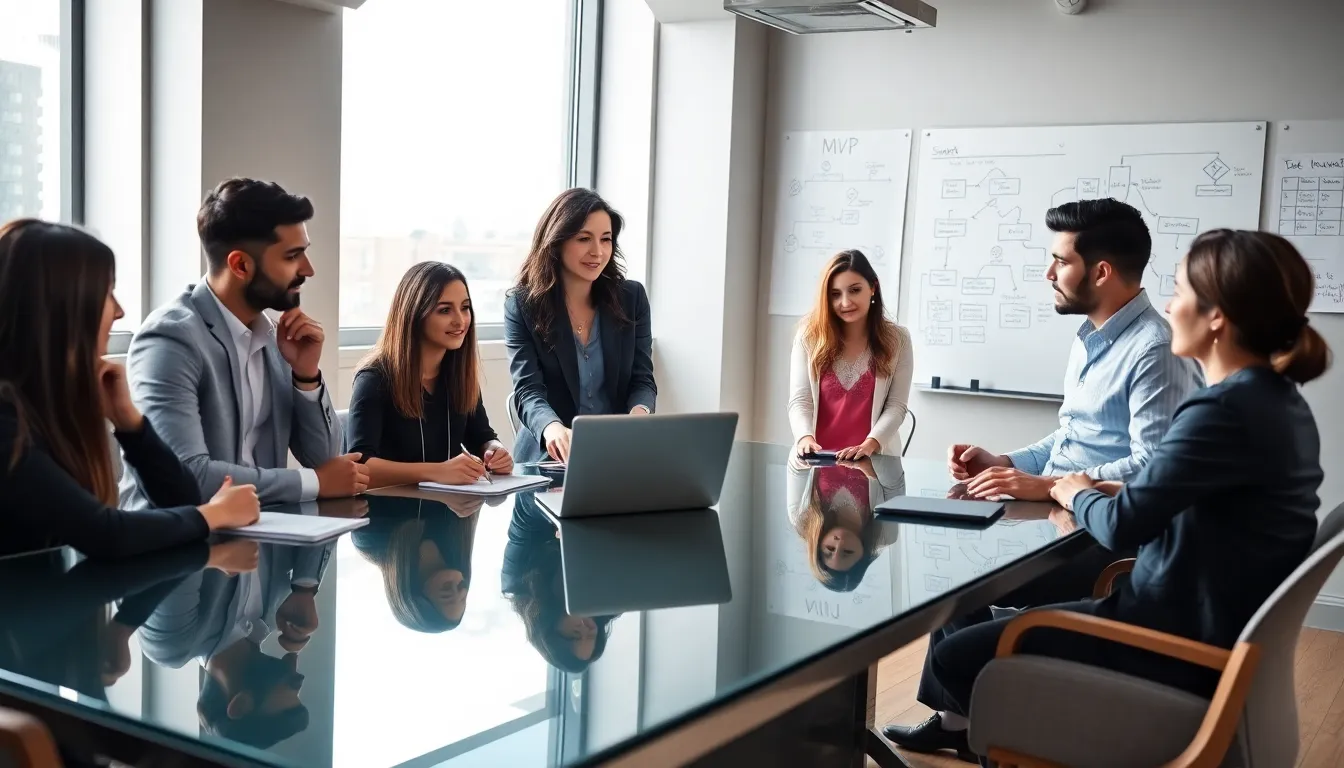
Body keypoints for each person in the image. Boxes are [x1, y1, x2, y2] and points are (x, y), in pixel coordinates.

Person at [924, 229, 1328, 760]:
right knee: (979, 635)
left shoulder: (1220, 412)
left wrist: (1072, 491)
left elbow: (1122, 527)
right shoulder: (1280, 406)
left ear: (1216, 317)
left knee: (955, 657)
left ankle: (1030, 739)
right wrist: (1100, 486)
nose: (1168, 304)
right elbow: (1194, 493)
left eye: (1180, 291)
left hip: (1160, 641)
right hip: (1200, 628)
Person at [884, 198, 1204, 761]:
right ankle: (959, 723)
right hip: (1067, 514)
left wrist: (1054, 485)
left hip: (1109, 536)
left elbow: (1153, 466)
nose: (1048, 273)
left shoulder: (1154, 350)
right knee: (954, 557)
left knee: (964, 573)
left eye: (1060, 260)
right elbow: (1069, 438)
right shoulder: (1092, 336)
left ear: (1100, 271)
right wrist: (1008, 462)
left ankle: (989, 727)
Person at [0, 219, 259, 558]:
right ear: (64, 308)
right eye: (107, 293)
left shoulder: (37, 408)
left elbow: (180, 498)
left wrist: (129, 422)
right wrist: (216, 513)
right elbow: (105, 534)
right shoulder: (7, 426)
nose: (119, 311)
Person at [121, 178, 366, 510]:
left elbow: (324, 458)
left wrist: (306, 375)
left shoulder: (275, 338)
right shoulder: (170, 340)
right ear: (240, 265)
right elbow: (186, 475)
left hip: (261, 537)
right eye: (293, 256)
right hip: (178, 548)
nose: (308, 270)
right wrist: (315, 482)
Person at [503, 188, 656, 464]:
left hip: (617, 454)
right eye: (584, 238)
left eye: (606, 239)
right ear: (557, 241)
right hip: (548, 460)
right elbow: (527, 391)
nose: (597, 252)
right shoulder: (523, 306)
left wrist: (638, 417)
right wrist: (552, 428)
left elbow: (642, 378)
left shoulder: (632, 299)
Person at [346, 262, 512, 489]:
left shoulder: (458, 374)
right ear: (414, 315)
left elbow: (481, 436)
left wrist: (494, 450)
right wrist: (437, 471)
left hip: (448, 511)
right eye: (445, 310)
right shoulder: (374, 379)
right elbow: (360, 466)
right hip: (388, 515)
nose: (460, 320)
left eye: (465, 307)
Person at [789, 249, 913, 460]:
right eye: (835, 294)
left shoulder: (898, 339)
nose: (845, 303)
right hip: (819, 462)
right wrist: (804, 438)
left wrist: (869, 445)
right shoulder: (809, 336)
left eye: (854, 290)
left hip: (873, 463)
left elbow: (896, 406)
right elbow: (800, 400)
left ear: (873, 288)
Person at [351, 494, 483, 633]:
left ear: (416, 598)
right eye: (463, 596)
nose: (458, 589)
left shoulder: (371, 540)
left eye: (447, 595)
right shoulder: (457, 535)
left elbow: (364, 482)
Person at [786, 453, 905, 591]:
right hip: (873, 438)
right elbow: (895, 474)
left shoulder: (802, 521)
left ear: (818, 548)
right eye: (847, 552)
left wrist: (808, 453)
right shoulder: (886, 533)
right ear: (863, 555)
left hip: (822, 437)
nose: (839, 542)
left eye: (829, 549)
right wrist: (870, 466)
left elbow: (795, 465)